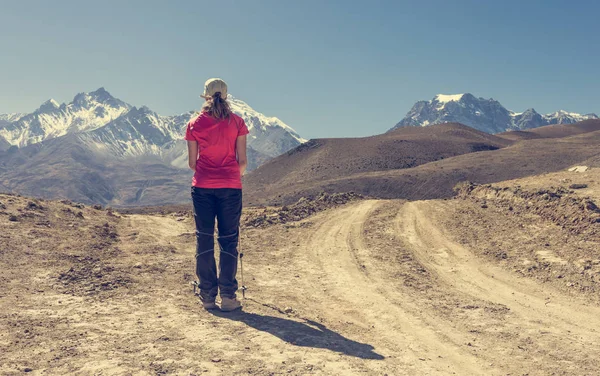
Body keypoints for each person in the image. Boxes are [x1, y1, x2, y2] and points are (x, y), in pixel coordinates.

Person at [184, 78, 249, 311]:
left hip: (202, 187)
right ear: (227, 94)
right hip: (231, 187)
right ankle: (229, 297)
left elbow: (193, 163)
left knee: (204, 237)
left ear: (205, 96)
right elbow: (242, 161)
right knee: (229, 240)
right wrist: (230, 175)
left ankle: (208, 296)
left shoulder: (194, 124)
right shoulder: (238, 122)